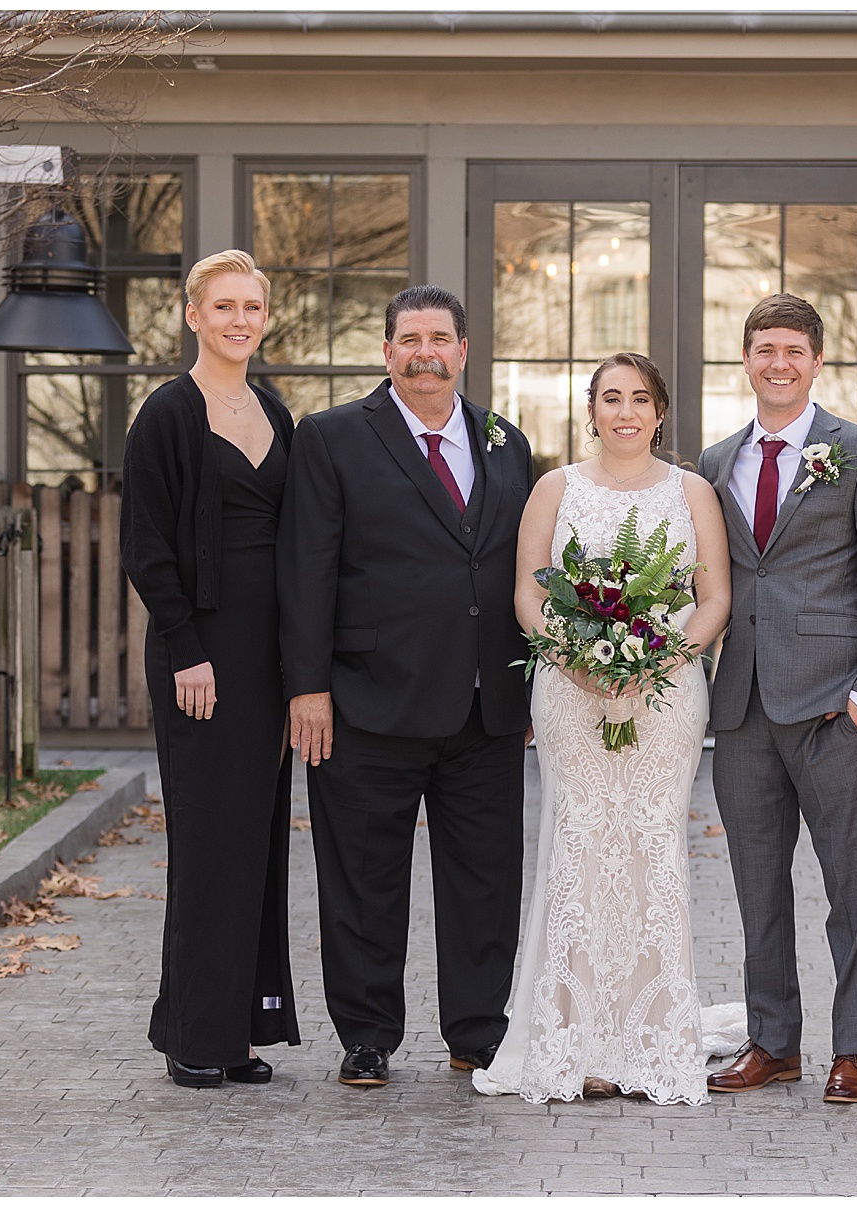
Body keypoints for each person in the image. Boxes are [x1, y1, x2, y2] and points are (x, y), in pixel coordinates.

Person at [277, 285, 535, 1089]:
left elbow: (516, 568)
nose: (426, 352)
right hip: (365, 701)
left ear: (463, 350)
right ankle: (366, 1033)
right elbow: (306, 569)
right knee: (362, 875)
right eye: (410, 338)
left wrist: (526, 687)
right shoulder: (331, 438)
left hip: (484, 703)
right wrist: (307, 688)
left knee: (485, 881)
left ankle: (477, 1031)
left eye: (441, 338)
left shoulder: (506, 441)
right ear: (386, 351)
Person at [473, 353, 734, 1105]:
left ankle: (652, 1035)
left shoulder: (693, 493)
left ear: (660, 412)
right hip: (570, 691)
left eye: (640, 398)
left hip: (665, 695)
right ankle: (572, 1037)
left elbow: (712, 594)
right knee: (579, 845)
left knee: (652, 845)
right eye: (611, 398)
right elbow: (526, 588)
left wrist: (664, 660)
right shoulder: (555, 487)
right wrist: (573, 658)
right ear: (593, 411)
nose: (625, 412)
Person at [699, 295, 857, 1106]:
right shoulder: (717, 463)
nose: (778, 363)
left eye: (793, 349)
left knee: (848, 883)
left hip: (832, 705)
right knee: (759, 885)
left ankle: (854, 1046)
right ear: (746, 360)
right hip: (743, 705)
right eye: (764, 349)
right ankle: (774, 1040)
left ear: (817, 361)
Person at [121, 249, 301, 1088]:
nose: (238, 320)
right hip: (201, 655)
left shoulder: (275, 412)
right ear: (193, 315)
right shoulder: (166, 413)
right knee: (205, 839)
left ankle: (237, 1031)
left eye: (251, 307)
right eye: (222, 306)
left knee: (256, 837)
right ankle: (192, 1031)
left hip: (267, 657)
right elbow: (147, 546)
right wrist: (186, 646)